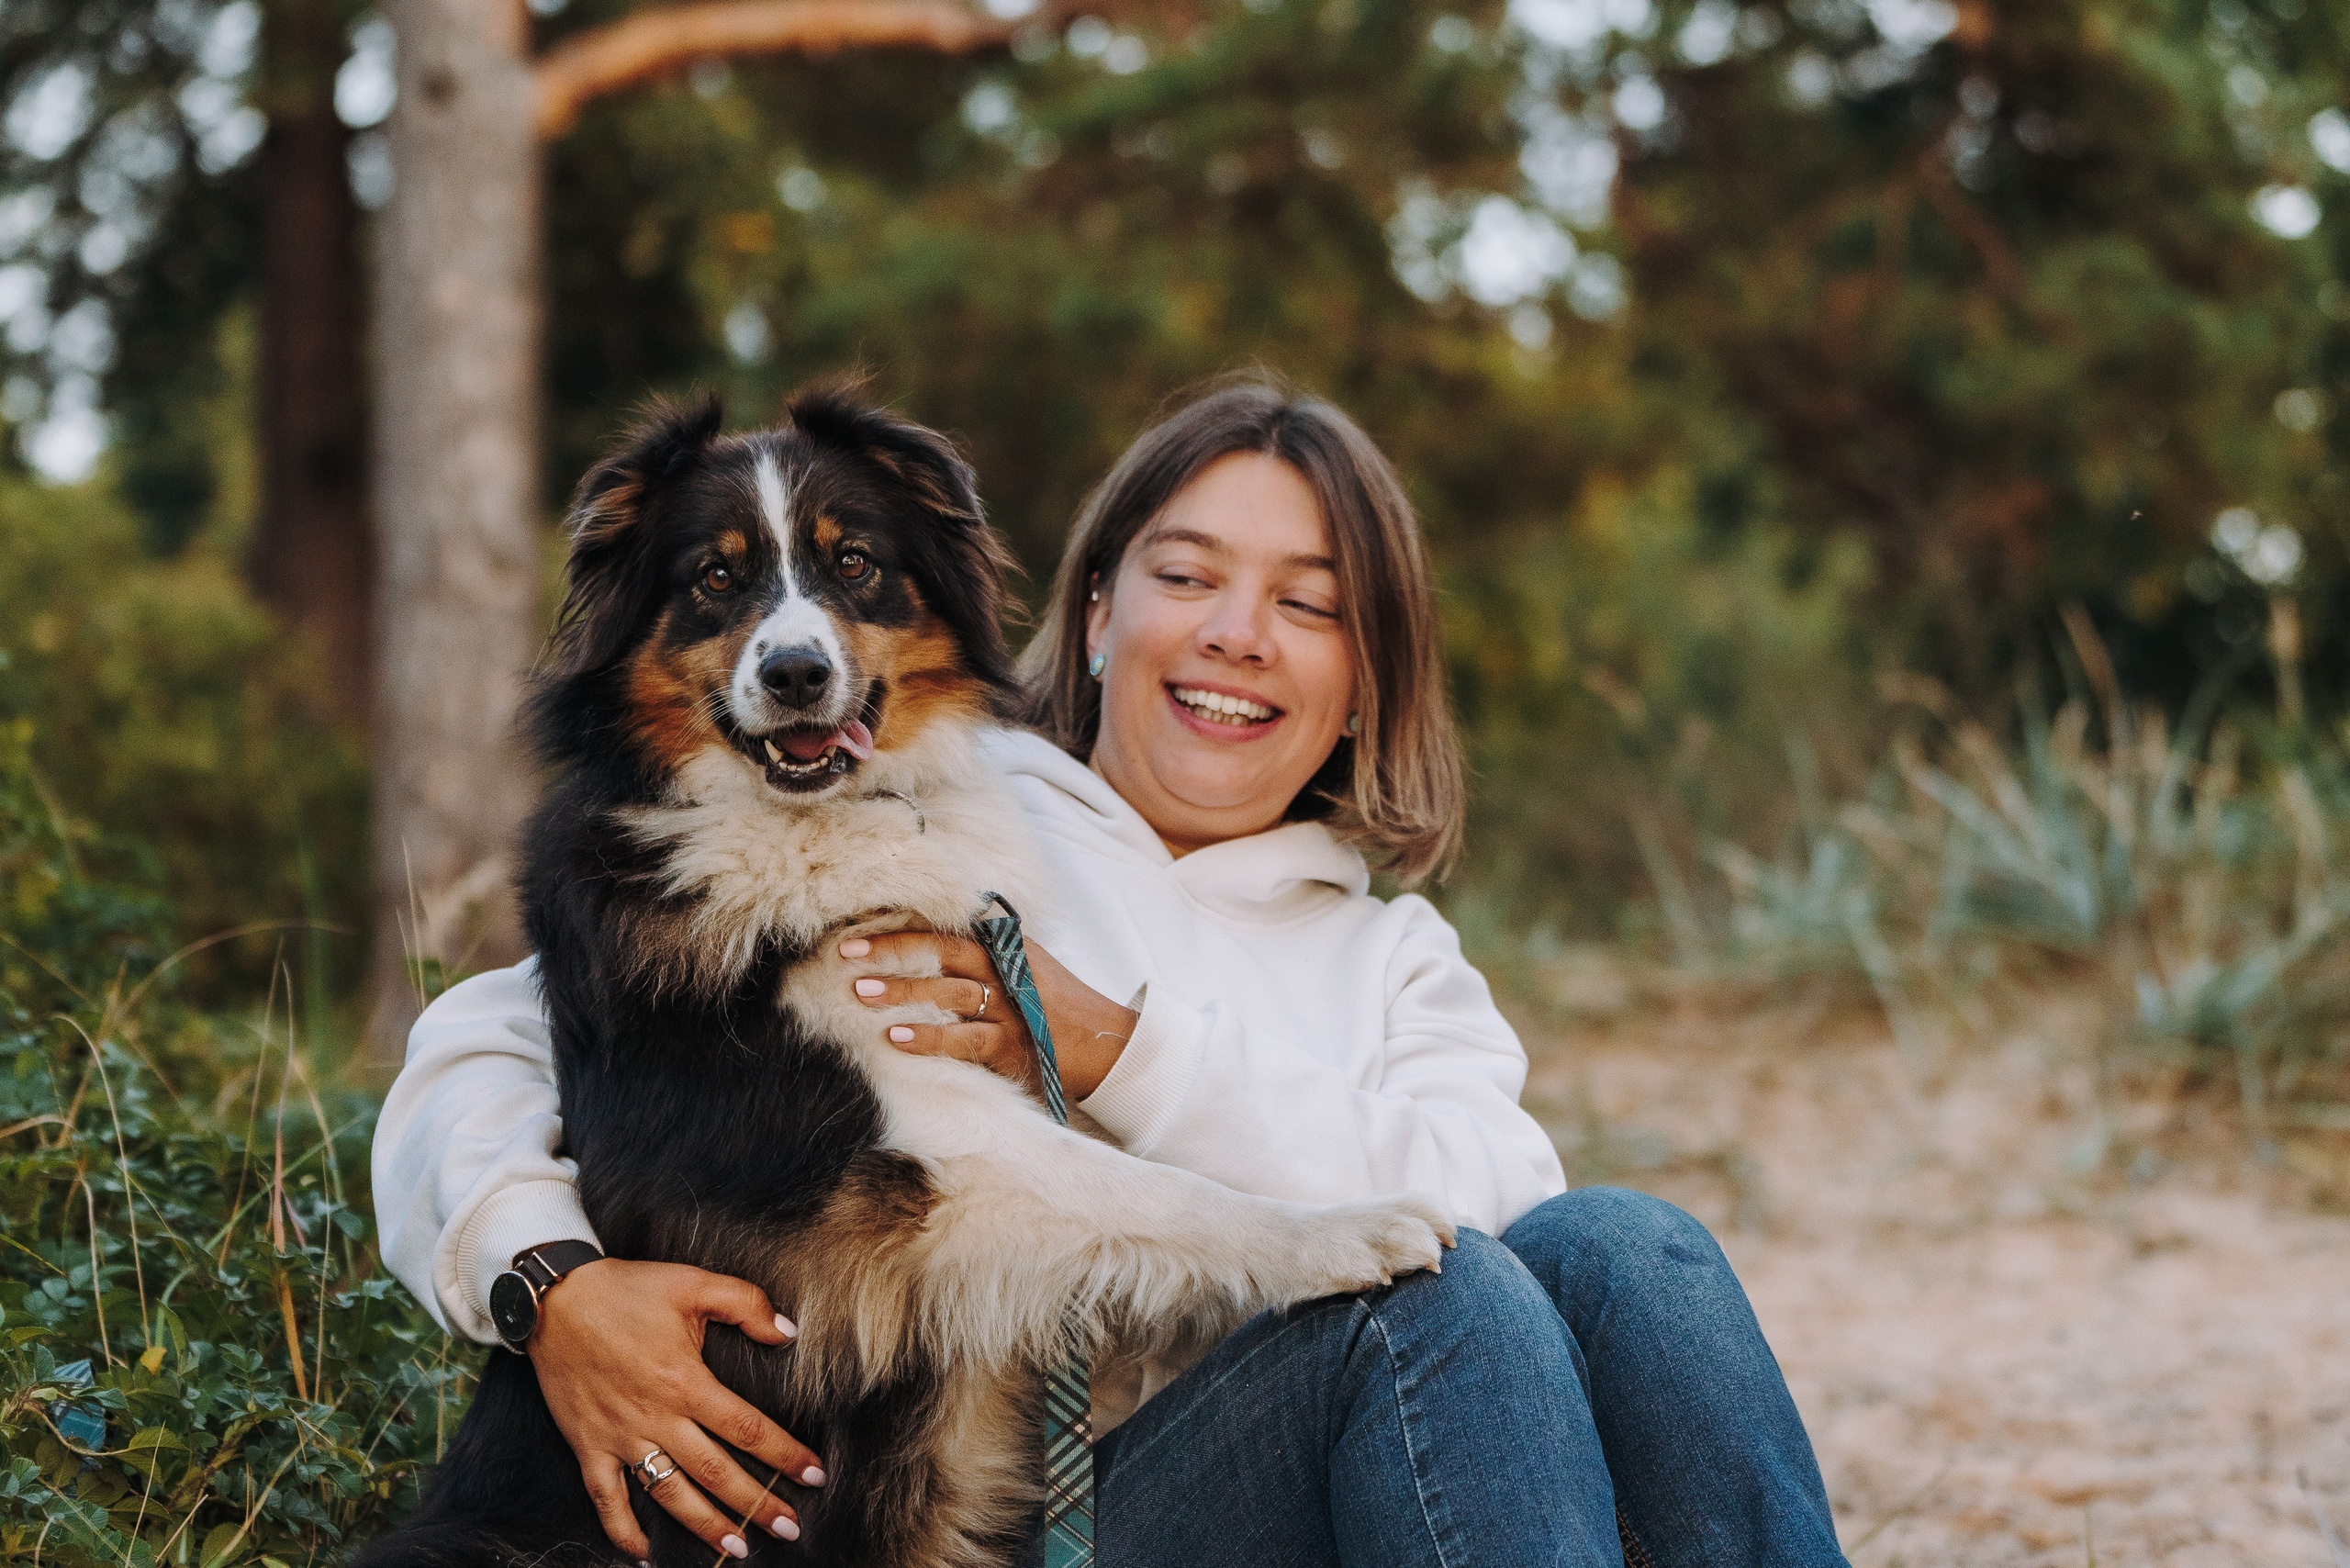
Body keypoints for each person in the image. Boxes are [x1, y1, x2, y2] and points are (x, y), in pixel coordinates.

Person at [374, 377, 1850, 1567]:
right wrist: (549, 1287)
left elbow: (1498, 1219)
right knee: (1440, 1307)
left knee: (1629, 1254)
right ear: (1093, 614)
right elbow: (498, 1042)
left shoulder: (1400, 960)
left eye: (1309, 602)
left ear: (1367, 673)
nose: (1234, 635)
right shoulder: (923, 818)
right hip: (1082, 1520)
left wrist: (1114, 1052)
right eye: (1189, 575)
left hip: (1332, 1487)